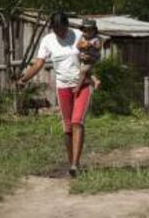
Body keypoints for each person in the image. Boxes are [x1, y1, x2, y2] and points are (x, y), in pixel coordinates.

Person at [17, 12, 92, 177]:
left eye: (63, 29)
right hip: (63, 87)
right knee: (67, 127)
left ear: (67, 25)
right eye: (57, 30)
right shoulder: (48, 40)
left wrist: (94, 75)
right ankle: (70, 162)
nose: (60, 33)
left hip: (82, 85)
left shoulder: (79, 35)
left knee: (77, 122)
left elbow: (91, 57)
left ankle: (75, 165)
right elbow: (38, 63)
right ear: (53, 28)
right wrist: (23, 79)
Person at [73, 18, 102, 95]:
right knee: (87, 72)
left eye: (90, 30)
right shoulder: (82, 37)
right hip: (84, 58)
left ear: (94, 31)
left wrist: (91, 44)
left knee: (83, 71)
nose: (87, 33)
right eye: (85, 30)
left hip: (92, 58)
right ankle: (96, 81)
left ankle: (77, 87)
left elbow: (99, 47)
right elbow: (77, 46)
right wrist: (82, 45)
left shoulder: (96, 38)